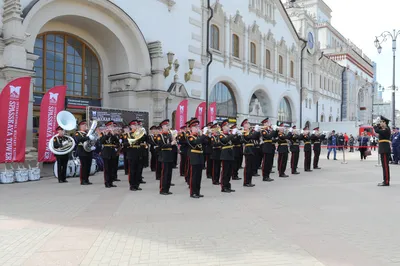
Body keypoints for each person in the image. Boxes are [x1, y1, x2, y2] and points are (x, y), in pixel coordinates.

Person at [187, 119, 207, 198]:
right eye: (195, 127)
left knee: (199, 176)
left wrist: (206, 135)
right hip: (194, 157)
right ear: (191, 128)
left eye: (197, 126)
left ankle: (198, 191)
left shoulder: (199, 136)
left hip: (200, 157)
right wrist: (203, 135)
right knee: (194, 176)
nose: (197, 128)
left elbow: (206, 142)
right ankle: (193, 192)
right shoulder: (190, 137)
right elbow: (195, 143)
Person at [124, 120, 146, 191]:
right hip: (132, 154)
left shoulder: (140, 134)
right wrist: (132, 142)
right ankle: (132, 185)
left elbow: (146, 139)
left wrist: (143, 133)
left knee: (138, 170)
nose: (136, 127)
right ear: (131, 126)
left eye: (137, 125)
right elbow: (125, 144)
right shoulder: (127, 134)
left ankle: (137, 185)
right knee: (132, 170)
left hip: (139, 153)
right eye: (134, 125)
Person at [157, 119, 176, 195]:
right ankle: (162, 189)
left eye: (168, 125)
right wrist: (171, 144)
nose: (168, 127)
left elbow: (173, 145)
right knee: (164, 174)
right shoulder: (160, 135)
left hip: (170, 156)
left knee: (169, 174)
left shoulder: (169, 134)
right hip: (164, 156)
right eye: (166, 126)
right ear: (162, 127)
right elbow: (161, 145)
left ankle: (167, 189)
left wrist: (174, 141)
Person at [240, 119, 261, 186]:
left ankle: (249, 181)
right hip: (248, 150)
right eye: (247, 124)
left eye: (248, 123)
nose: (248, 124)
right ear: (244, 126)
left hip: (252, 149)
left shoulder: (251, 132)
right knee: (248, 167)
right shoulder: (244, 132)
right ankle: (246, 182)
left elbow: (257, 137)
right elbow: (250, 137)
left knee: (251, 167)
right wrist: (256, 131)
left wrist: (258, 131)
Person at [75, 120, 95, 185]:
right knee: (83, 166)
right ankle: (82, 180)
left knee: (88, 166)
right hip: (82, 151)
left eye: (86, 125)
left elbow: (92, 141)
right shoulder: (78, 133)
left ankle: (87, 179)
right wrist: (88, 137)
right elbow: (79, 139)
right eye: (84, 125)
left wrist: (93, 145)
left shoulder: (87, 133)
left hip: (89, 151)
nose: (85, 126)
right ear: (80, 126)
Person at [219, 119, 237, 193]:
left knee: (229, 171)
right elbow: (225, 141)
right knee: (225, 171)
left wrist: (237, 135)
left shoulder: (229, 135)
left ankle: (228, 186)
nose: (228, 127)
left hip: (230, 154)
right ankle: (223, 187)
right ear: (223, 127)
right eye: (226, 126)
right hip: (225, 154)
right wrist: (232, 134)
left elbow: (236, 142)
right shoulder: (221, 135)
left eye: (228, 125)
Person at [100, 121, 119, 188]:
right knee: (107, 169)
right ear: (107, 127)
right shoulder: (103, 133)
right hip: (106, 152)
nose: (112, 128)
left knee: (112, 168)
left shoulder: (114, 134)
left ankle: (111, 182)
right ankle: (107, 182)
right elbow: (101, 141)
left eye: (112, 126)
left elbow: (117, 142)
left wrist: (113, 135)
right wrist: (107, 134)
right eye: (110, 126)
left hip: (112, 152)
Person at [373, 116, 391, 186]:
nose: (380, 123)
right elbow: (378, 129)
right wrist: (376, 124)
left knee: (385, 166)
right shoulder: (384, 128)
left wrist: (375, 124)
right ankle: (385, 180)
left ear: (384, 122)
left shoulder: (386, 129)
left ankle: (386, 181)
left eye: (381, 122)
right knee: (384, 166)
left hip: (384, 149)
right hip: (383, 148)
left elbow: (377, 130)